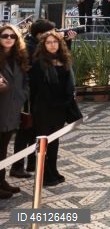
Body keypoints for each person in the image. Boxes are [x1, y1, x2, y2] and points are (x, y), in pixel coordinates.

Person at [28, 31, 82, 187]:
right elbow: (37, 89)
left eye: (55, 42)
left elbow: (68, 84)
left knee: (54, 141)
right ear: (43, 45)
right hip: (44, 108)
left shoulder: (64, 60)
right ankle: (45, 174)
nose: (52, 45)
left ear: (59, 44)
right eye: (48, 42)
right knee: (44, 141)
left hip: (61, 107)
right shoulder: (39, 63)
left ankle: (53, 169)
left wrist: (65, 101)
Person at [0, 24, 28, 198]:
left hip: (13, 109)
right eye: (5, 36)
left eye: (13, 36)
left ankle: (1, 181)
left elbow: (25, 81)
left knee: (3, 149)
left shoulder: (19, 57)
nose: (9, 38)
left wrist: (23, 95)